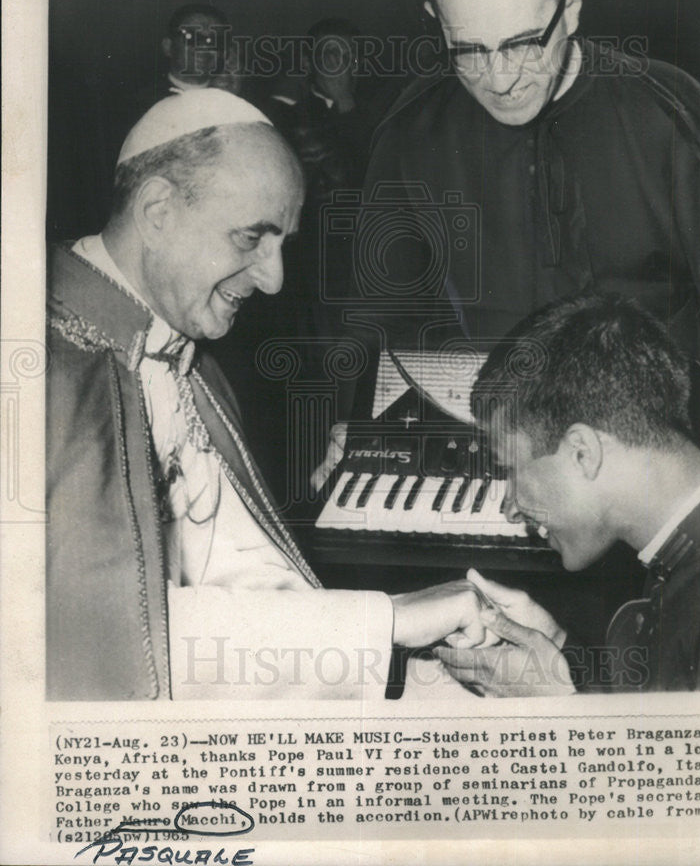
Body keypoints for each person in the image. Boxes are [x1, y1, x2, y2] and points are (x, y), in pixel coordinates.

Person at [46, 89, 488, 701]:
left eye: (283, 243)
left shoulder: (194, 361)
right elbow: (109, 641)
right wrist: (382, 622)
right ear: (157, 211)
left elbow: (229, 570)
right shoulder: (44, 374)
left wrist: (401, 660)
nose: (275, 279)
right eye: (251, 238)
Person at [317, 0, 700, 487]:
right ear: (434, 17)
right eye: (467, 49)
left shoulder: (666, 106)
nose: (500, 79)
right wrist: (356, 423)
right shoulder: (411, 130)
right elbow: (381, 310)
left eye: (523, 42)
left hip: (663, 455)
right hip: (490, 450)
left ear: (573, 5)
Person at [434, 294, 700, 695]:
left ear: (583, 453)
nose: (512, 508)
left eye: (510, 469)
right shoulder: (698, 545)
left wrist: (556, 708)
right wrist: (559, 648)